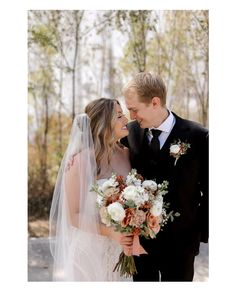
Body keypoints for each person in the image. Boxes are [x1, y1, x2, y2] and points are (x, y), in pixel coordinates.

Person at [121, 72, 208, 281]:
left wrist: (199, 232)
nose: (131, 116)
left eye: (134, 109)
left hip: (182, 244)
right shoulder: (129, 133)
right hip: (141, 245)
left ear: (154, 102)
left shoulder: (198, 136)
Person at [49, 98, 133, 281]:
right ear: (104, 123)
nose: (126, 119)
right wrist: (110, 232)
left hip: (120, 250)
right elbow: (73, 216)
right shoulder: (80, 161)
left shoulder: (127, 153)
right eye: (119, 116)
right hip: (90, 249)